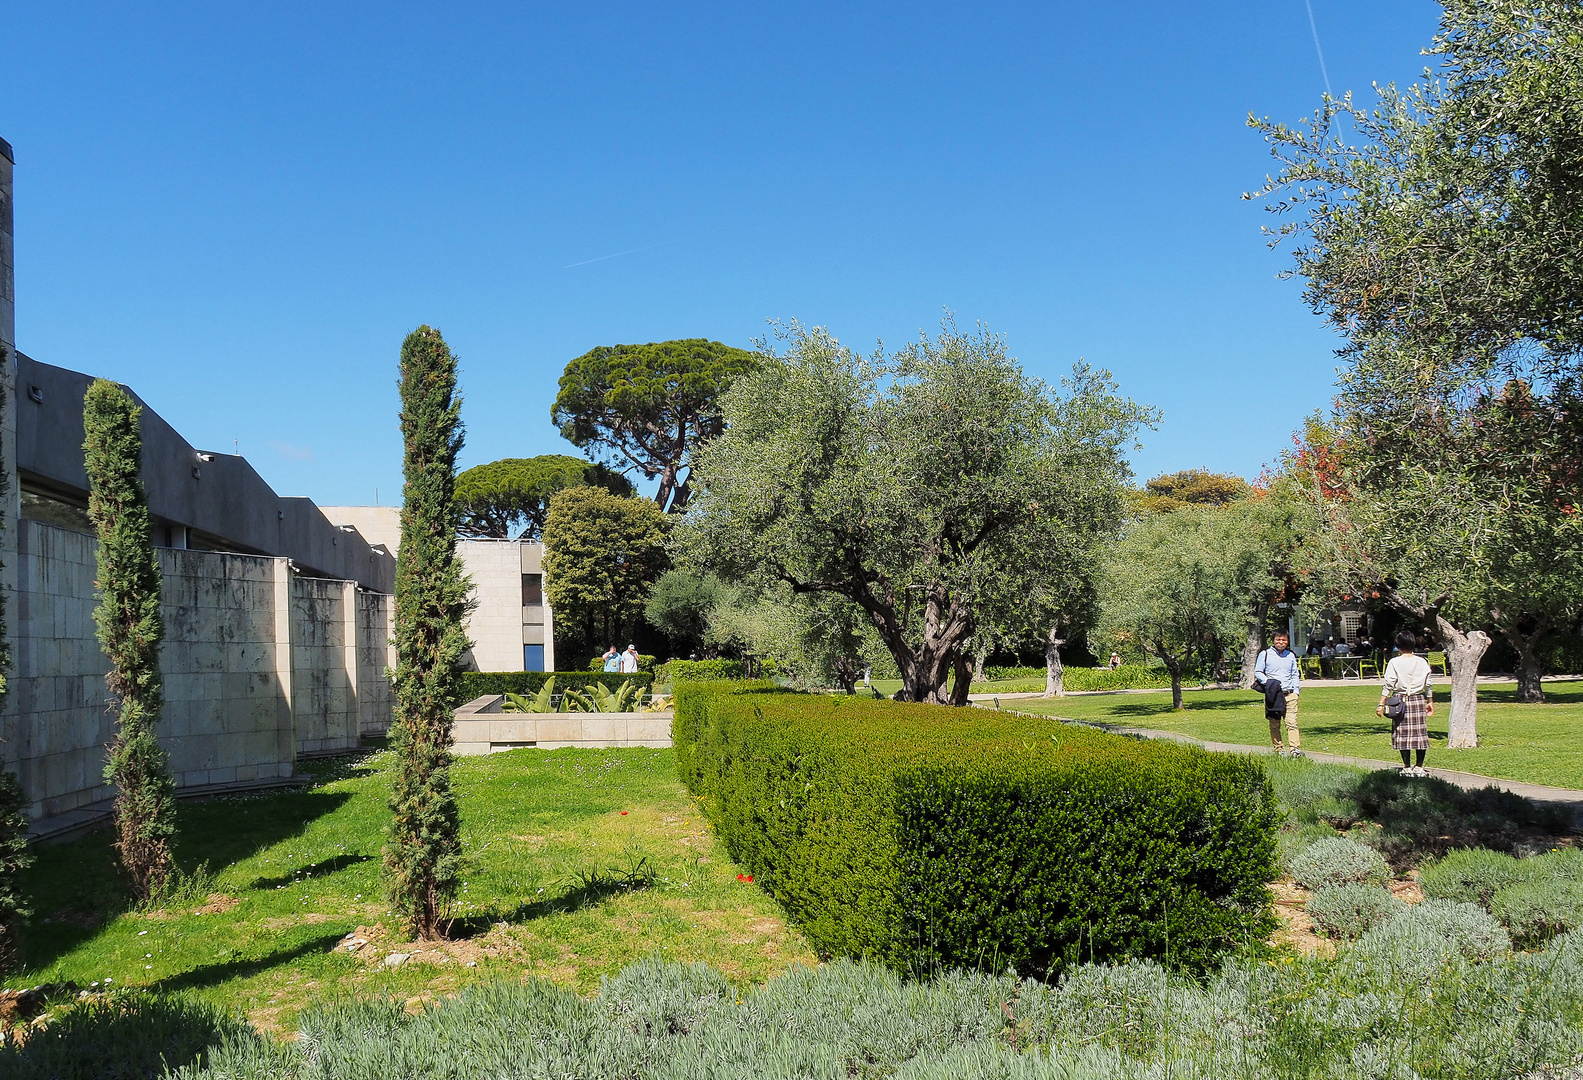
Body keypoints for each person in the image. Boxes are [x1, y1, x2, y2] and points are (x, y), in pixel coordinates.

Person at [1378, 630, 1434, 776]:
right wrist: (1430, 701)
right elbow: (1428, 684)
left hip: (1400, 700)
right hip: (1417, 699)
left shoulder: (1394, 662)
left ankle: (1407, 766)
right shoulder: (1422, 661)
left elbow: (1389, 684)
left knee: (1402, 733)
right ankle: (1419, 767)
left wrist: (1381, 703)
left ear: (1398, 645)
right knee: (1419, 733)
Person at [1254, 631, 1303, 757]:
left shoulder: (1290, 655)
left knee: (1292, 722)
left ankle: (1295, 750)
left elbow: (1294, 674)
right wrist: (1270, 683)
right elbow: (1258, 672)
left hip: (1290, 694)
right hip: (1274, 694)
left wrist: (1296, 691)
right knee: (1275, 723)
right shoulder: (1265, 654)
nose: (1281, 642)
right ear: (1273, 640)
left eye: (1284, 640)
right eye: (1278, 639)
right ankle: (1279, 749)